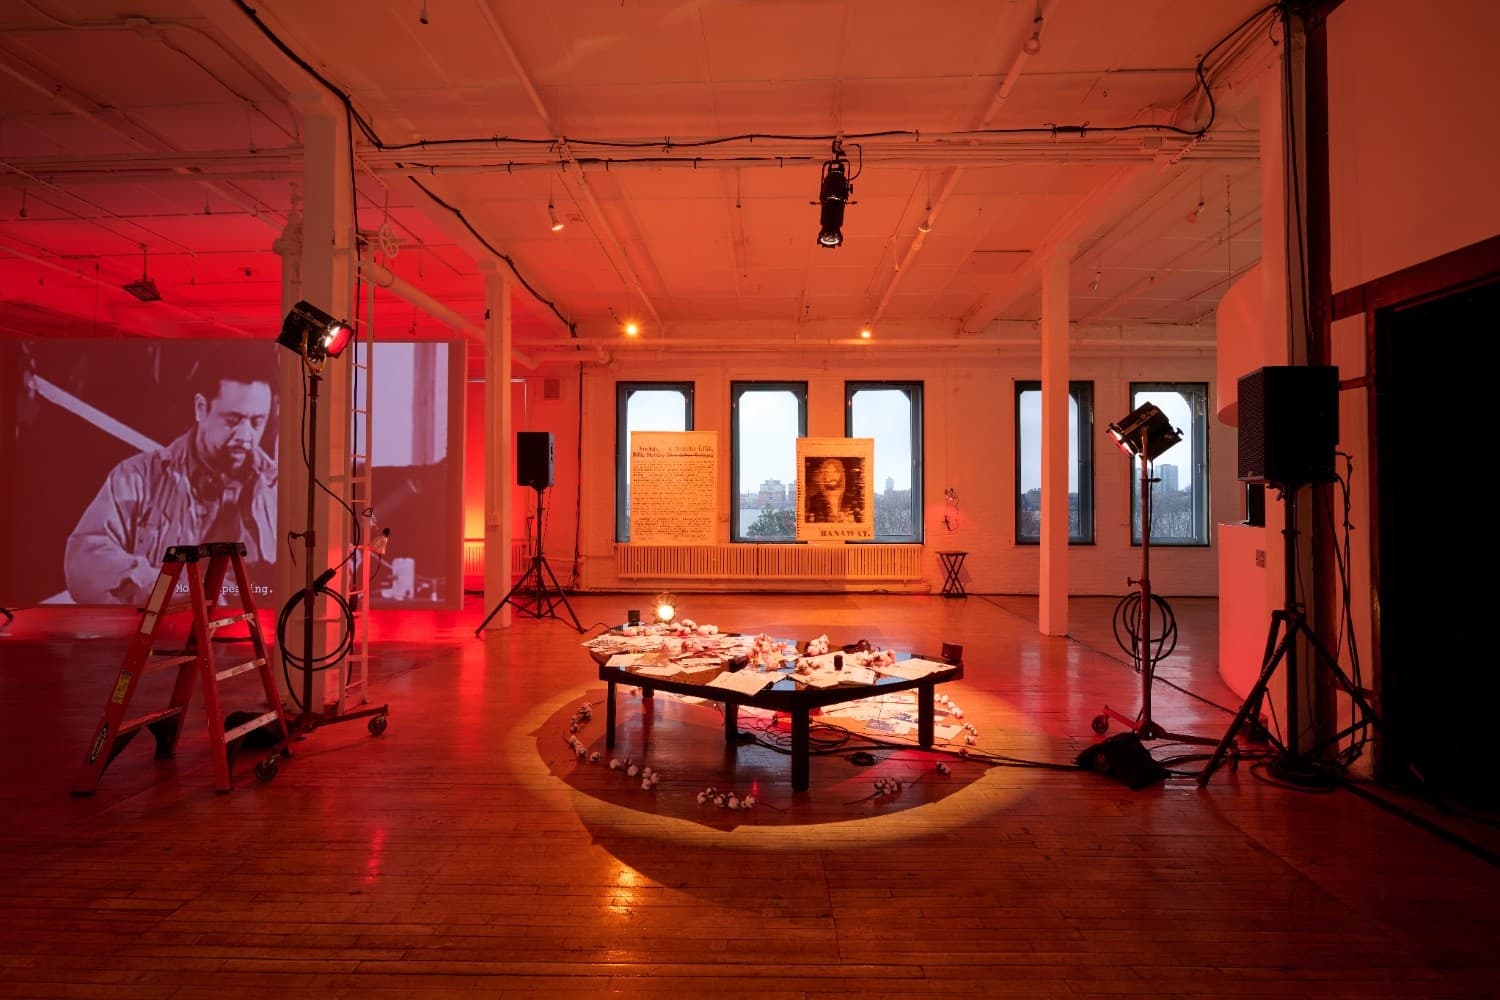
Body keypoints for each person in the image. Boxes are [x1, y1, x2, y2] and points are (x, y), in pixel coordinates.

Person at [64, 359, 277, 605]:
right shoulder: (137, 478)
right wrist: (178, 590)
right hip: (161, 636)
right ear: (200, 408)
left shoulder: (281, 490)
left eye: (257, 422)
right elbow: (85, 564)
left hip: (248, 635)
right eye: (232, 420)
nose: (245, 436)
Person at [804, 456, 862, 524]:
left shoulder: (852, 500)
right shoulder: (814, 501)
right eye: (828, 472)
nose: (832, 476)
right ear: (824, 476)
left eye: (835, 471)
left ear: (841, 474)